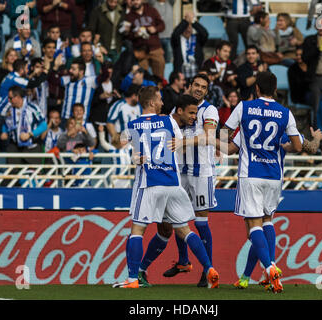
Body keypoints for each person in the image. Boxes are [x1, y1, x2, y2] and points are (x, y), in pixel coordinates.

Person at [112, 86, 219, 289]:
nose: (162, 102)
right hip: (172, 183)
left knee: (137, 231)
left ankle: (133, 279)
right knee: (185, 230)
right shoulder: (169, 120)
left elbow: (121, 144)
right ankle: (209, 269)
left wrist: (135, 156)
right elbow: (178, 144)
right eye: (159, 99)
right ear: (151, 102)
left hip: (149, 183)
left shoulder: (133, 124)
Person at [223, 71, 302, 294]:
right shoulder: (285, 113)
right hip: (274, 176)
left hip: (251, 173)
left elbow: (225, 135)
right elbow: (296, 146)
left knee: (253, 225)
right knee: (267, 221)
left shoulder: (244, 108)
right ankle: (264, 272)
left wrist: (212, 145)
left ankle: (270, 267)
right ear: (275, 90)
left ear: (256, 89)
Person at [158, 73, 219, 288]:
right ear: (190, 85)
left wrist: (183, 142)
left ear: (207, 90)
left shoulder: (209, 110)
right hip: (181, 172)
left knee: (201, 221)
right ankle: (184, 261)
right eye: (197, 85)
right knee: (178, 217)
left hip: (202, 172)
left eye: (204, 86)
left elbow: (211, 137)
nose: (199, 89)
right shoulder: (180, 109)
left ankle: (207, 269)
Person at [0, 86, 48, 164]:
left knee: (32, 174)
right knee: (13, 173)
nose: (9, 100)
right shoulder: (9, 110)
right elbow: (6, 124)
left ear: (18, 97)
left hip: (31, 147)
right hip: (15, 147)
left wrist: (30, 134)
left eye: (10, 98)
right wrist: (4, 131)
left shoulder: (33, 108)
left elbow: (43, 125)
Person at [123, 0, 166, 80]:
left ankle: (159, 91)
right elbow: (126, 35)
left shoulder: (152, 10)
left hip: (155, 48)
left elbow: (162, 25)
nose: (135, 2)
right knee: (142, 78)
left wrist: (155, 29)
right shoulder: (128, 16)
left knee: (160, 77)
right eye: (133, 0)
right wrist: (134, 35)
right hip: (140, 51)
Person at [171, 11, 208, 82]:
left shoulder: (197, 38)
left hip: (197, 72)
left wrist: (193, 21)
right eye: (185, 28)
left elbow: (205, 33)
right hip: (182, 75)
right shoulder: (177, 40)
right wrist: (185, 21)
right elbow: (175, 34)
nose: (188, 30)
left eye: (190, 28)